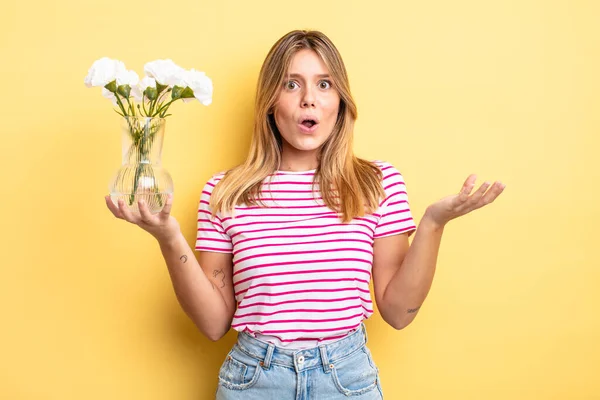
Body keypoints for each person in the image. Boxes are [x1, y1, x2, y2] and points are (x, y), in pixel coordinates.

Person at [105, 29, 505, 399]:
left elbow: (399, 313)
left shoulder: (376, 183)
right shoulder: (226, 192)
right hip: (254, 381)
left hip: (346, 379)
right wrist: (169, 237)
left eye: (324, 84)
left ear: (340, 102)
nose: (308, 98)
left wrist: (433, 223)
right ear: (269, 102)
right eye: (291, 84)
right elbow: (213, 325)